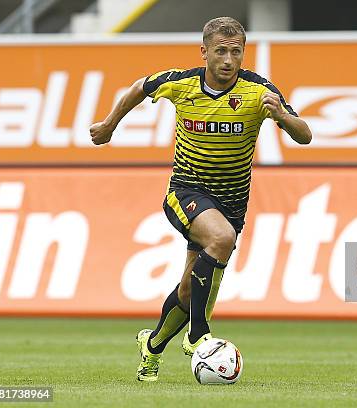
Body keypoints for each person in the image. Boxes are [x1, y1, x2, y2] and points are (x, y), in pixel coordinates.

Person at [89, 16, 312, 381]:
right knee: (220, 239)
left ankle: (153, 345)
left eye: (236, 52)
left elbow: (305, 137)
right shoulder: (181, 82)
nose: (228, 59)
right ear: (204, 52)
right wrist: (110, 124)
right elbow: (139, 88)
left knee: (191, 285)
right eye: (220, 51)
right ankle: (198, 335)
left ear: (243, 54)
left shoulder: (259, 91)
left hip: (232, 203)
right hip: (186, 190)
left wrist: (283, 116)